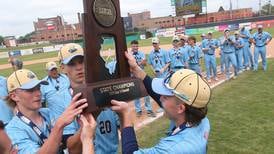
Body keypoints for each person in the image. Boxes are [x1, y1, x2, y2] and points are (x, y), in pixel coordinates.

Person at [109, 51, 211, 154]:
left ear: (180, 108)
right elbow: (171, 101)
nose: (160, 98)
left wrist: (125, 115)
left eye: (165, 97)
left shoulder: (171, 149)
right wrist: (136, 69)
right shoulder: (201, 120)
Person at [5, 69, 88, 153]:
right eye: (30, 90)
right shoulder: (13, 130)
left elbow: (71, 148)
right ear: (14, 96)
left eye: (38, 88)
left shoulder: (47, 112)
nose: (38, 93)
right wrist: (59, 126)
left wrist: (84, 127)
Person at [58, 43, 121, 154]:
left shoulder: (103, 89)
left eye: (82, 61)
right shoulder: (60, 100)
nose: (78, 67)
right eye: (72, 64)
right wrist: (90, 119)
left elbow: (122, 124)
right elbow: (72, 149)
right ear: (62, 68)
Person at [131, 40, 155, 117]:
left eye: (136, 46)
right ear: (131, 46)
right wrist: (139, 63)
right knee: (136, 94)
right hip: (133, 77)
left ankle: (149, 109)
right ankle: (138, 110)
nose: (135, 47)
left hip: (142, 75)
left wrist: (138, 63)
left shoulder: (141, 53)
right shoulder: (129, 54)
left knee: (146, 92)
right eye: (133, 46)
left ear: (138, 46)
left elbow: (145, 63)